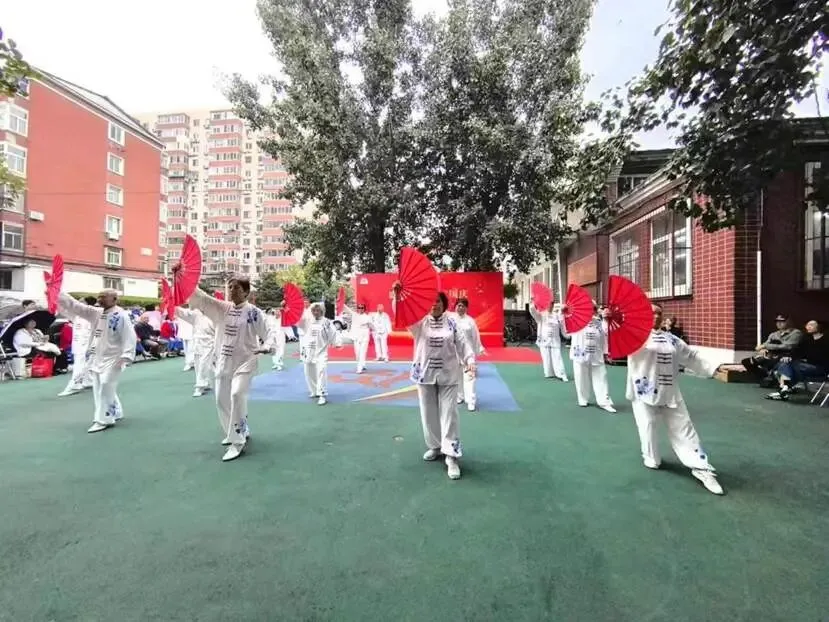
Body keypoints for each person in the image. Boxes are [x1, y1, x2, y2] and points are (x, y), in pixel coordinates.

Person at [626, 303, 725, 495]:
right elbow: (616, 344)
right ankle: (650, 456)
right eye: (651, 313)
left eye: (659, 313)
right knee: (648, 426)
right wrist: (611, 320)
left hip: (670, 391)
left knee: (684, 428)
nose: (656, 316)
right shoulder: (634, 336)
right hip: (643, 390)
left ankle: (702, 467)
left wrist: (714, 368)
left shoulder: (672, 339)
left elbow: (692, 356)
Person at [183, 277, 277, 462]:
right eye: (230, 287)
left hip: (246, 361)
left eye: (236, 288)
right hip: (224, 362)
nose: (231, 290)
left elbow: (269, 331)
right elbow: (202, 297)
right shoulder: (222, 308)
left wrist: (267, 346)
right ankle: (235, 429)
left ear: (246, 292)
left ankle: (237, 441)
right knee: (221, 400)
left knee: (236, 394)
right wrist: (183, 277)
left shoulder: (254, 312)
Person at [394, 285, 476, 480]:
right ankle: (435, 446)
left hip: (448, 374)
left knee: (450, 415)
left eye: (438, 301)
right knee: (428, 413)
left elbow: (463, 343)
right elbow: (403, 315)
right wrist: (397, 296)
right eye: (431, 301)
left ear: (443, 303)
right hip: (424, 374)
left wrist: (470, 360)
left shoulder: (453, 323)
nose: (434, 305)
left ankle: (451, 456)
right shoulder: (420, 322)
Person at [57, 290, 135, 433]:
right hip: (97, 356)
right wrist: (57, 293)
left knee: (105, 385)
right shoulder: (96, 313)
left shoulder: (121, 315)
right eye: (99, 297)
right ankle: (116, 411)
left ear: (114, 299)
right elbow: (76, 306)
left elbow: (129, 336)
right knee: (99, 386)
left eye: (103, 297)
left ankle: (103, 419)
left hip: (114, 357)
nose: (100, 300)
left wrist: (127, 355)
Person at [568, 305, 616, 413]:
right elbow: (566, 330)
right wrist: (565, 312)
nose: (591, 311)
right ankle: (583, 399)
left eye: (593, 308)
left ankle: (604, 401)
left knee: (601, 376)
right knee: (581, 377)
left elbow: (605, 336)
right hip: (580, 354)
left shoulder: (598, 322)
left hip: (596, 354)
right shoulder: (576, 320)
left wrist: (606, 320)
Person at [767, 320, 829, 401]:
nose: (808, 327)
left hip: (821, 368)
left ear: (819, 327)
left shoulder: (826, 340)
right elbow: (798, 351)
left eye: (811, 325)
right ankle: (784, 390)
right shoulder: (807, 339)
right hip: (807, 366)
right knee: (786, 363)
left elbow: (821, 357)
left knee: (790, 365)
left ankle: (783, 389)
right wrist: (789, 357)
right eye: (807, 325)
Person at [741, 314, 803, 385]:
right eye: (777, 321)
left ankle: (773, 378)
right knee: (746, 361)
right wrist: (763, 349)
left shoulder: (796, 333)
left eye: (782, 321)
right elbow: (761, 347)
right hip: (770, 356)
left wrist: (766, 346)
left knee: (779, 362)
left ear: (788, 322)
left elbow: (788, 346)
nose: (779, 323)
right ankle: (765, 377)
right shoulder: (773, 334)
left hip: (785, 357)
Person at [297, 302, 339, 405]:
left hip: (321, 351)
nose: (315, 312)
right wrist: (287, 309)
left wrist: (336, 343)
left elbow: (333, 333)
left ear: (322, 311)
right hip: (309, 351)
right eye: (314, 310)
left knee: (321, 371)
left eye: (318, 310)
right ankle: (314, 390)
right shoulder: (308, 321)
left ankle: (322, 394)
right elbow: (297, 322)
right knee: (309, 372)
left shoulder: (326, 322)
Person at [58, 295, 97, 396]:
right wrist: (55, 297)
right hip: (79, 345)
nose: (78, 303)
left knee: (81, 365)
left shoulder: (93, 314)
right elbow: (64, 310)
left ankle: (75, 385)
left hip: (89, 345)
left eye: (81, 301)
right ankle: (88, 381)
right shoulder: (77, 316)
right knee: (86, 364)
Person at [451, 297, 485, 411]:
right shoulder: (451, 319)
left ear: (466, 308)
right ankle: (459, 396)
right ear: (455, 307)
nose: (460, 308)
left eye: (463, 306)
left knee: (470, 377)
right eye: (458, 305)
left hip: (468, 353)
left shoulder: (470, 321)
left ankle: (471, 401)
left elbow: (476, 337)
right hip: (454, 353)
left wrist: (478, 348)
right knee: (457, 377)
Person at [175, 305, 215, 398]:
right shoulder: (196, 314)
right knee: (199, 364)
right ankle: (206, 382)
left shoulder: (214, 314)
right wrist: (174, 306)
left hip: (210, 342)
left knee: (204, 363)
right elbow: (184, 313)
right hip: (197, 341)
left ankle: (200, 386)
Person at [530, 301, 568, 382]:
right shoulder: (541, 315)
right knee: (546, 357)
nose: (550, 306)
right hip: (544, 340)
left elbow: (562, 324)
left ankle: (561, 374)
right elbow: (533, 312)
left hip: (555, 340)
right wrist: (533, 303)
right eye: (549, 304)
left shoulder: (556, 315)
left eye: (552, 304)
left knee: (557, 356)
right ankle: (549, 373)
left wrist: (562, 311)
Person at [343, 302, 372, 373]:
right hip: (356, 337)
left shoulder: (368, 317)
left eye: (362, 308)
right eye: (359, 308)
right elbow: (347, 309)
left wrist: (371, 327)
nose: (360, 309)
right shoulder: (354, 315)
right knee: (357, 353)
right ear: (357, 309)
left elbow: (372, 326)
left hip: (364, 337)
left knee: (362, 352)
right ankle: (362, 364)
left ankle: (359, 368)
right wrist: (341, 303)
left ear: (364, 309)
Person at [266, 305, 287, 371]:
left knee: (280, 350)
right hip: (273, 336)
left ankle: (279, 364)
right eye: (276, 311)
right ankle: (275, 363)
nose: (277, 313)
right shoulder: (272, 319)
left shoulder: (283, 319)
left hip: (281, 336)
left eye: (279, 312)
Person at [176, 306, 195, 371]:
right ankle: (189, 362)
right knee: (186, 349)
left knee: (191, 348)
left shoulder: (191, 311)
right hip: (184, 332)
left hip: (191, 332)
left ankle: (190, 362)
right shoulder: (179, 310)